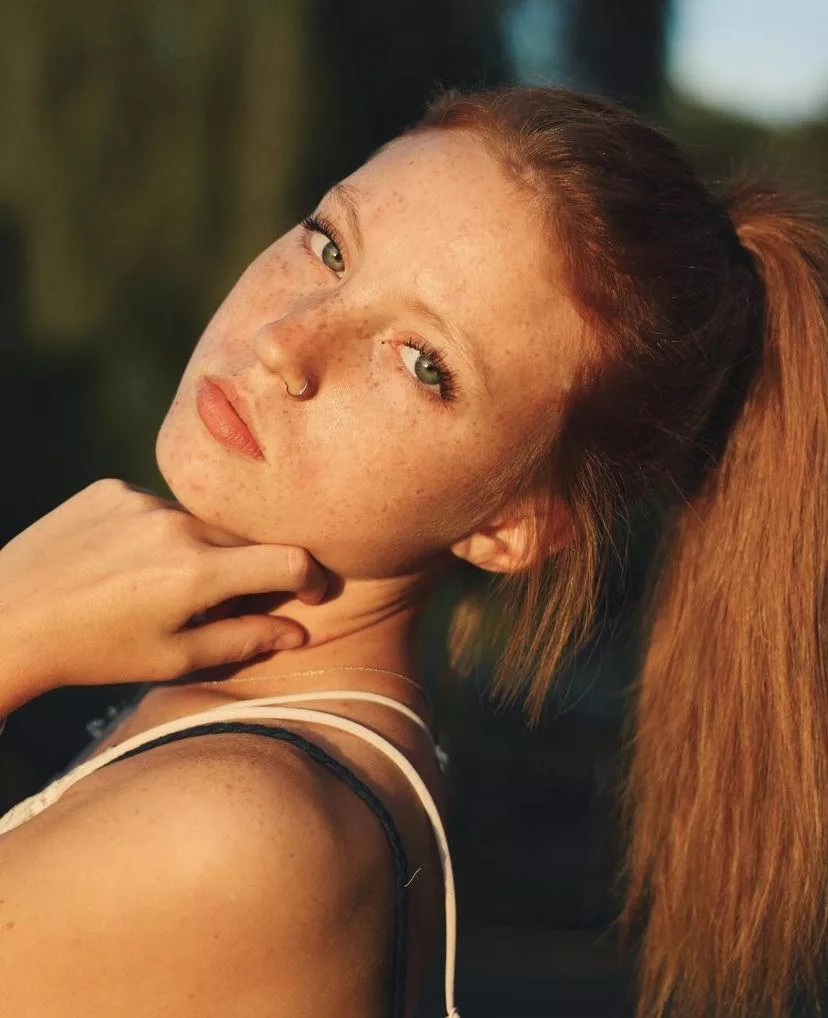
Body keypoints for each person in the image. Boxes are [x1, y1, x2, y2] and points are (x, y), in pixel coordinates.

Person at [0, 83, 825, 1018]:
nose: (285, 341)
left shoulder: (243, 831)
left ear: (513, 526)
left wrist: (13, 623)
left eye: (423, 363)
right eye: (329, 246)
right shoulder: (262, 732)